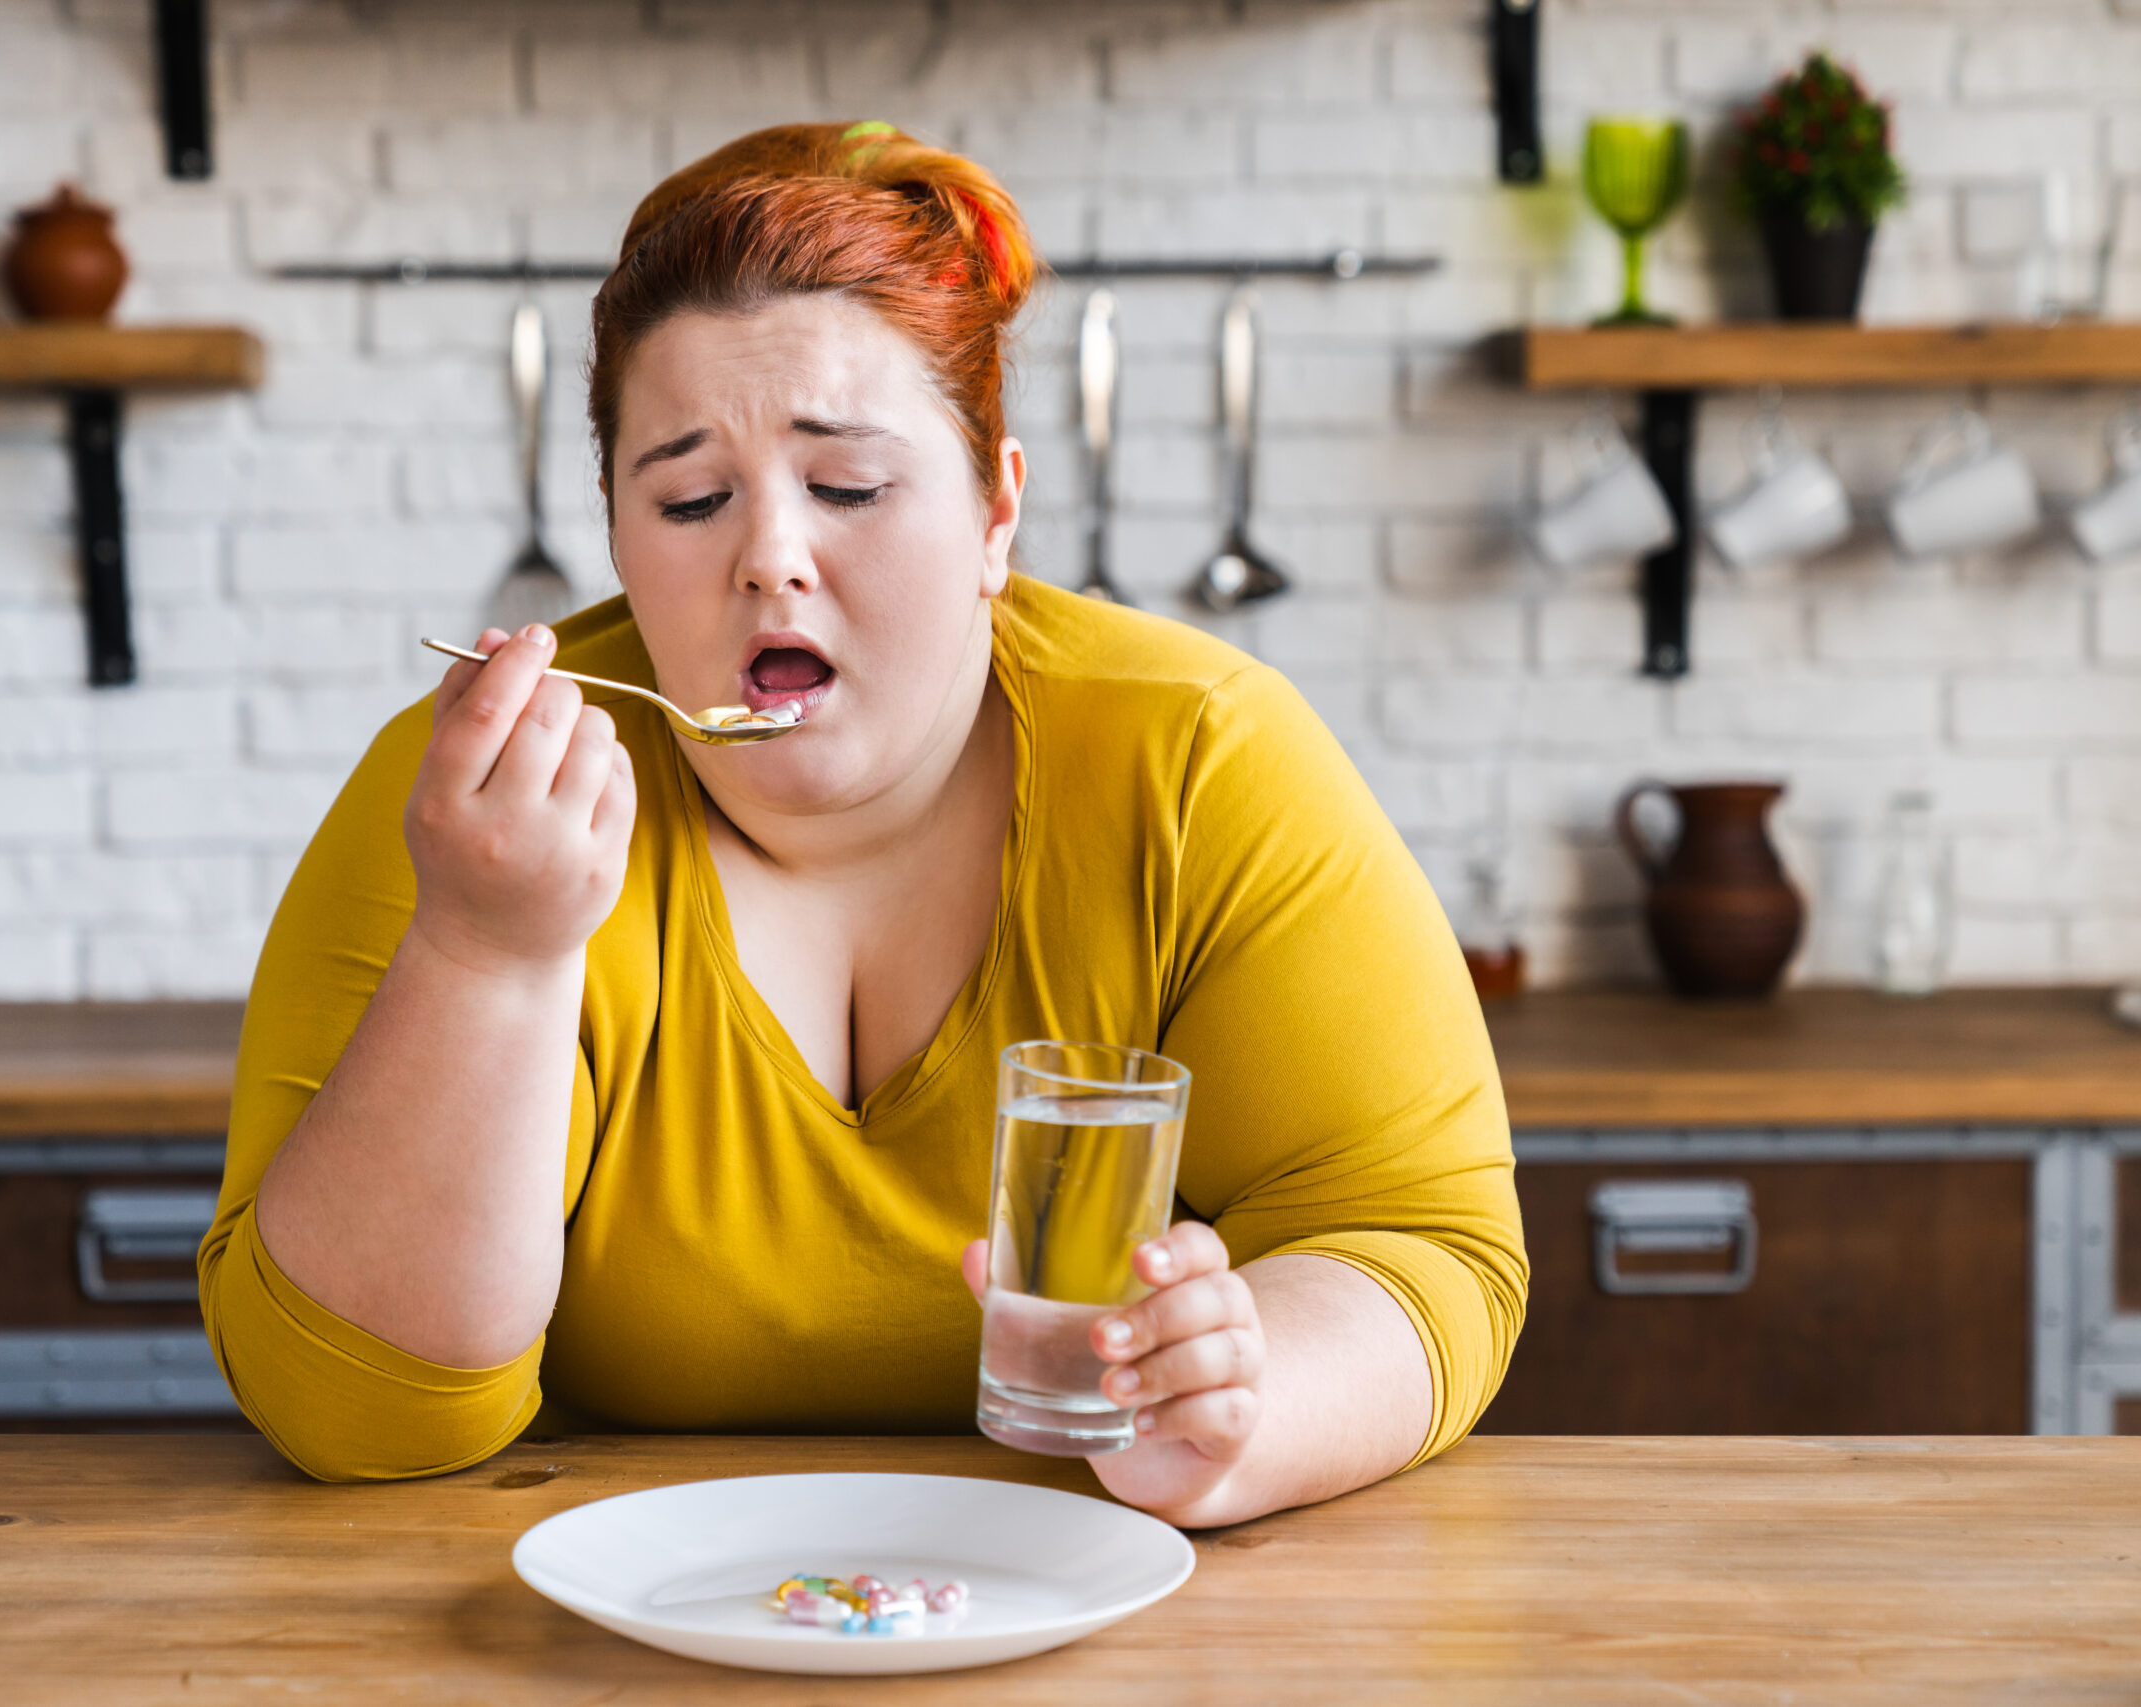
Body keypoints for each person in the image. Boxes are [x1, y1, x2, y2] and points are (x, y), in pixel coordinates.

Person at [200, 122, 1525, 1529]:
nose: (768, 553)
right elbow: (351, 1409)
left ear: (997, 512)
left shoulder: (1204, 760)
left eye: (848, 486)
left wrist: (1243, 1410)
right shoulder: (479, 797)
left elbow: (1417, 1244)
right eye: (690, 498)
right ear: (616, 533)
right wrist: (485, 956)